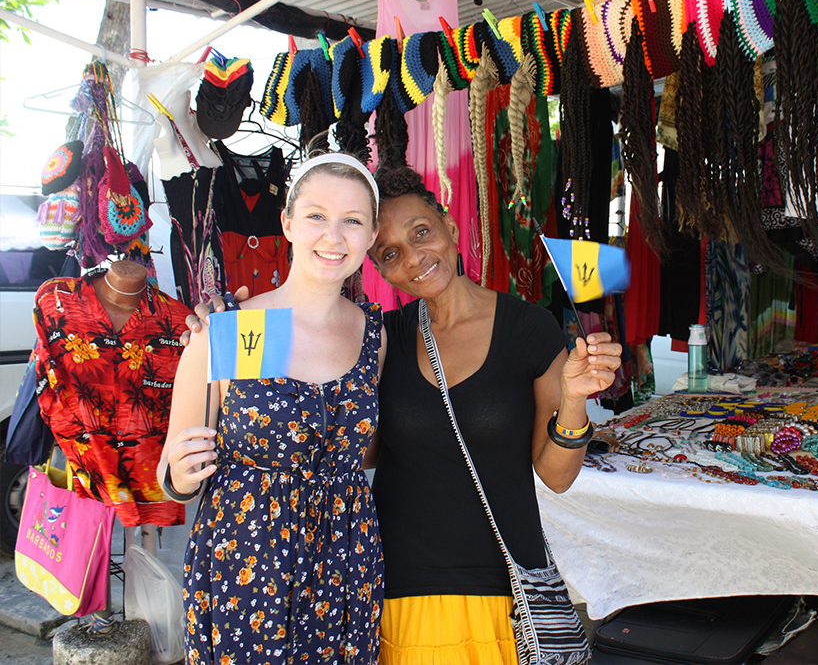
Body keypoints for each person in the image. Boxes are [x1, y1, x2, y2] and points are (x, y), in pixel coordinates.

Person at [186, 165, 622, 665]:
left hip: (504, 587)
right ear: (376, 263)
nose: (414, 258)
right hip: (396, 583)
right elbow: (324, 425)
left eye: (421, 233)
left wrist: (573, 401)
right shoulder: (380, 336)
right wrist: (219, 327)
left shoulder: (529, 328)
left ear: (450, 229)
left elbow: (555, 476)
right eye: (390, 253)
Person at [161, 153, 386, 665]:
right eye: (316, 216)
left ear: (372, 236)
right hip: (247, 562)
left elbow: (367, 451)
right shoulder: (229, 325)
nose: (334, 236)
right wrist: (179, 472)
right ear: (286, 223)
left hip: (346, 563)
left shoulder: (375, 335)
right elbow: (173, 472)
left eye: (353, 221)